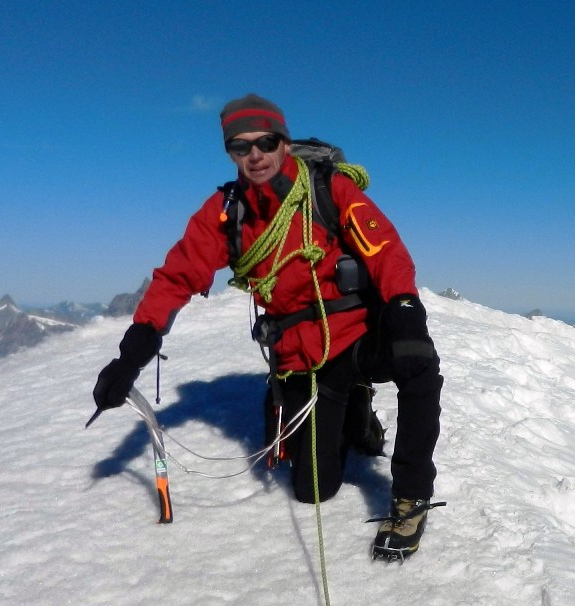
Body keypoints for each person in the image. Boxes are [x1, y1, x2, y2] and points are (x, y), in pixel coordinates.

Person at [92, 94, 444, 560]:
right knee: (313, 489)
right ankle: (353, 407)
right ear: (230, 153)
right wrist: (132, 354)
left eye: (266, 142)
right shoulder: (227, 212)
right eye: (240, 146)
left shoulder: (328, 189)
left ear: (284, 142)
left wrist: (404, 308)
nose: (255, 155)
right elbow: (177, 276)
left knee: (417, 362)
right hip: (301, 355)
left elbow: (385, 249)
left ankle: (411, 496)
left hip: (356, 333)